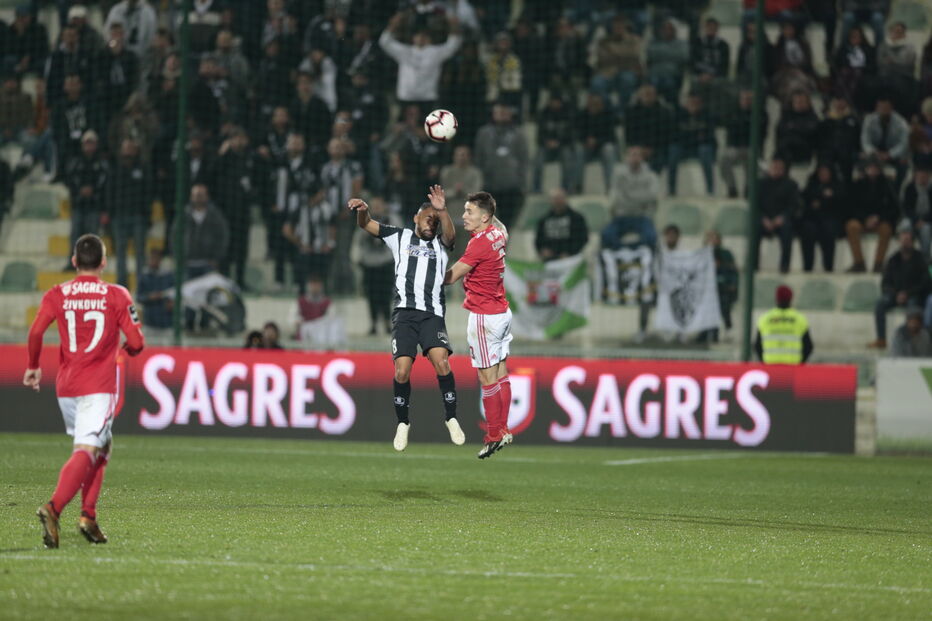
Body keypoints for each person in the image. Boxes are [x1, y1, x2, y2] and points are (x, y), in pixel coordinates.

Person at [24, 234, 145, 548]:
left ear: (75, 261)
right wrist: (127, 350)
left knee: (101, 447)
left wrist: (33, 365)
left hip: (66, 387)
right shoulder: (116, 294)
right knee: (88, 450)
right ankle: (53, 508)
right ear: (103, 263)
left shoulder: (57, 293)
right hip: (98, 387)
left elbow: (36, 331)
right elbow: (136, 343)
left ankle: (88, 516)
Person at [348, 186, 465, 451]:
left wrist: (442, 209)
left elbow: (450, 234)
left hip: (432, 314)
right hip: (405, 315)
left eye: (435, 221)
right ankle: (403, 423)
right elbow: (366, 225)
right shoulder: (398, 237)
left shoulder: (441, 245)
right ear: (416, 219)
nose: (432, 223)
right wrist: (363, 211)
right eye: (428, 218)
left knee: (442, 363)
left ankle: (452, 418)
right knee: (402, 370)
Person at [443, 191, 513, 459]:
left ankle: (494, 433)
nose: (463, 216)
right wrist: (489, 208)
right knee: (501, 372)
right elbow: (500, 224)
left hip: (484, 317)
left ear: (485, 217)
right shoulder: (499, 235)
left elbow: (451, 277)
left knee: (486, 378)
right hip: (502, 313)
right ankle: (503, 429)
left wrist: (424, 271)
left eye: (469, 211)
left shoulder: (480, 244)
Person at [379, 11, 461, 116]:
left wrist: (453, 25)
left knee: (427, 130)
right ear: (413, 38)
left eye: (424, 35)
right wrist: (393, 24)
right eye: (418, 35)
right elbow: (384, 42)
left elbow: (453, 44)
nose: (421, 38)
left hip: (427, 99)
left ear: (430, 38)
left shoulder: (436, 52)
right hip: (406, 98)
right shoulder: (404, 51)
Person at [870, 229, 930, 348]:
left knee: (913, 308)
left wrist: (907, 294)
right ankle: (881, 339)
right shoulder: (893, 259)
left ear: (912, 242)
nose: (904, 242)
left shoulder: (920, 259)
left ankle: (911, 342)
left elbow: (925, 283)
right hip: (895, 295)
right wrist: (896, 294)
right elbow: (885, 283)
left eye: (907, 240)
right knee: (880, 304)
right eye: (902, 240)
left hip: (914, 295)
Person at [474, 103, 527, 228]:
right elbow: (478, 158)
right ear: (493, 114)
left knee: (507, 226)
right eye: (498, 112)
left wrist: (522, 184)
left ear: (510, 114)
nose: (502, 116)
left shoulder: (519, 134)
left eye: (505, 112)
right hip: (489, 186)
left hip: (511, 187)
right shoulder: (483, 133)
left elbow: (523, 160)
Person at [351, 196, 398, 335]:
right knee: (371, 296)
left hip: (385, 264)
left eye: (379, 205)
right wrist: (357, 258)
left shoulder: (392, 220)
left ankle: (387, 324)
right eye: (374, 205)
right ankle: (373, 324)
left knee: (386, 296)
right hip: (369, 265)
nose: (377, 208)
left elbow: (400, 237)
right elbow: (358, 241)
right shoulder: (364, 220)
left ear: (384, 205)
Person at [63, 130, 108, 270]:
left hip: (94, 206)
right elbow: (69, 180)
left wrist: (92, 191)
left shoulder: (101, 163)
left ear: (96, 145)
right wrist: (80, 191)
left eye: (92, 143)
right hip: (79, 205)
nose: (89, 147)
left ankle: (93, 265)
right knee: (75, 235)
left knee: (92, 237)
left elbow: (105, 183)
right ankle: (73, 264)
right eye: (86, 143)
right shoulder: (76, 162)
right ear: (82, 145)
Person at [845, 157, 898, 273]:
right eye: (870, 168)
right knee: (851, 226)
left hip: (880, 220)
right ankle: (859, 263)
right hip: (862, 220)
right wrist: (865, 219)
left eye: (875, 168)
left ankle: (878, 264)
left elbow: (892, 208)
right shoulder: (858, 184)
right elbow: (852, 207)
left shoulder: (887, 185)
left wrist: (878, 218)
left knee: (886, 229)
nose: (873, 171)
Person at [800, 163, 844, 272]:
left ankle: (828, 267)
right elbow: (807, 203)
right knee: (807, 229)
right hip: (813, 219)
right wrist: (823, 198)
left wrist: (822, 202)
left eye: (826, 173)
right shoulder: (812, 185)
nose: (823, 175)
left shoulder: (837, 186)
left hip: (830, 219)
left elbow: (838, 204)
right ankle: (808, 267)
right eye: (821, 173)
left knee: (829, 229)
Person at [754, 285, 813, 364]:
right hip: (793, 366)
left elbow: (757, 345)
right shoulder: (799, 319)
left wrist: (763, 361)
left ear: (776, 298)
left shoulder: (765, 318)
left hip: (770, 365)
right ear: (791, 298)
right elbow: (808, 346)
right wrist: (801, 363)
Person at [184, 183, 229, 280]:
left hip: (208, 264)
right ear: (191, 197)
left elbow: (223, 237)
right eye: (196, 195)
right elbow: (174, 237)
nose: (198, 198)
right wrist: (178, 257)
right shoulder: (184, 215)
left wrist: (216, 258)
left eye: (201, 195)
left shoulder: (216, 216)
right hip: (187, 264)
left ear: (207, 197)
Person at [535, 188, 589, 261]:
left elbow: (582, 238)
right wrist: (543, 250)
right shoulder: (544, 220)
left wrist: (570, 252)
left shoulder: (576, 218)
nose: (558, 201)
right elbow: (539, 239)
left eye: (560, 198)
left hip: (570, 260)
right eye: (555, 199)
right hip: (549, 260)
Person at [136, 248, 173, 330]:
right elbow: (138, 297)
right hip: (150, 322)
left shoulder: (168, 276)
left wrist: (172, 301)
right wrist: (150, 297)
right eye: (151, 258)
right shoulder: (144, 276)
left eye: (156, 258)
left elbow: (174, 293)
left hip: (167, 322)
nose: (153, 261)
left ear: (160, 260)